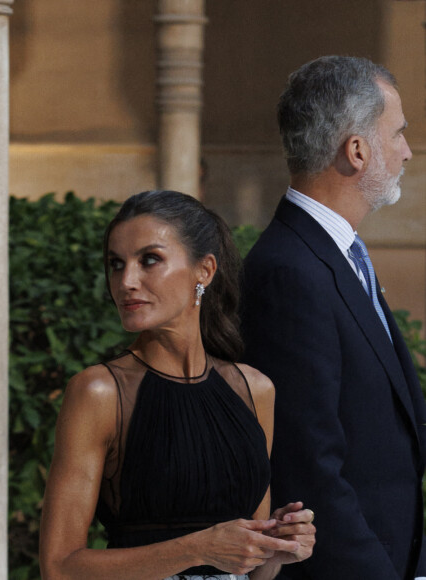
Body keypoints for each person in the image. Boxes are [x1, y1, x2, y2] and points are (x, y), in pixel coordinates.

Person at [39, 190, 315, 580]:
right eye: (116, 265)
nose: (126, 281)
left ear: (204, 270)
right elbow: (60, 568)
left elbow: (256, 573)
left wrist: (277, 546)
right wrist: (197, 547)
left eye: (149, 260)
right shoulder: (99, 392)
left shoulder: (254, 390)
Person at [241, 55, 426, 579]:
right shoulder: (290, 270)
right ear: (358, 150)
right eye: (398, 134)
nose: (408, 152)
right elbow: (308, 470)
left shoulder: (335, 254)